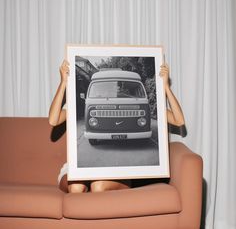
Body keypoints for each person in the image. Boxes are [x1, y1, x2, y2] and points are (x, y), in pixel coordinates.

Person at [49, 60, 185, 193]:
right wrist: (63, 82)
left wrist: (166, 86)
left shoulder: (143, 99)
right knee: (76, 188)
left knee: (99, 187)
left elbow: (179, 121)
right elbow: (54, 120)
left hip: (116, 172)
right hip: (77, 169)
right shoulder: (76, 104)